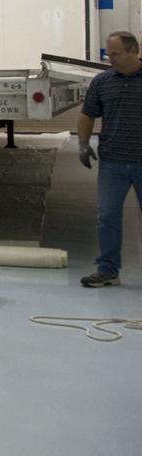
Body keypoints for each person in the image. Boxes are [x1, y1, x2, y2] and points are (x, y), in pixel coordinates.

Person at [77, 30, 142, 288]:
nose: (110, 59)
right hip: (112, 162)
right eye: (108, 55)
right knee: (107, 217)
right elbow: (87, 114)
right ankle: (108, 270)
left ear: (134, 51)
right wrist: (83, 144)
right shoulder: (102, 81)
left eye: (115, 54)